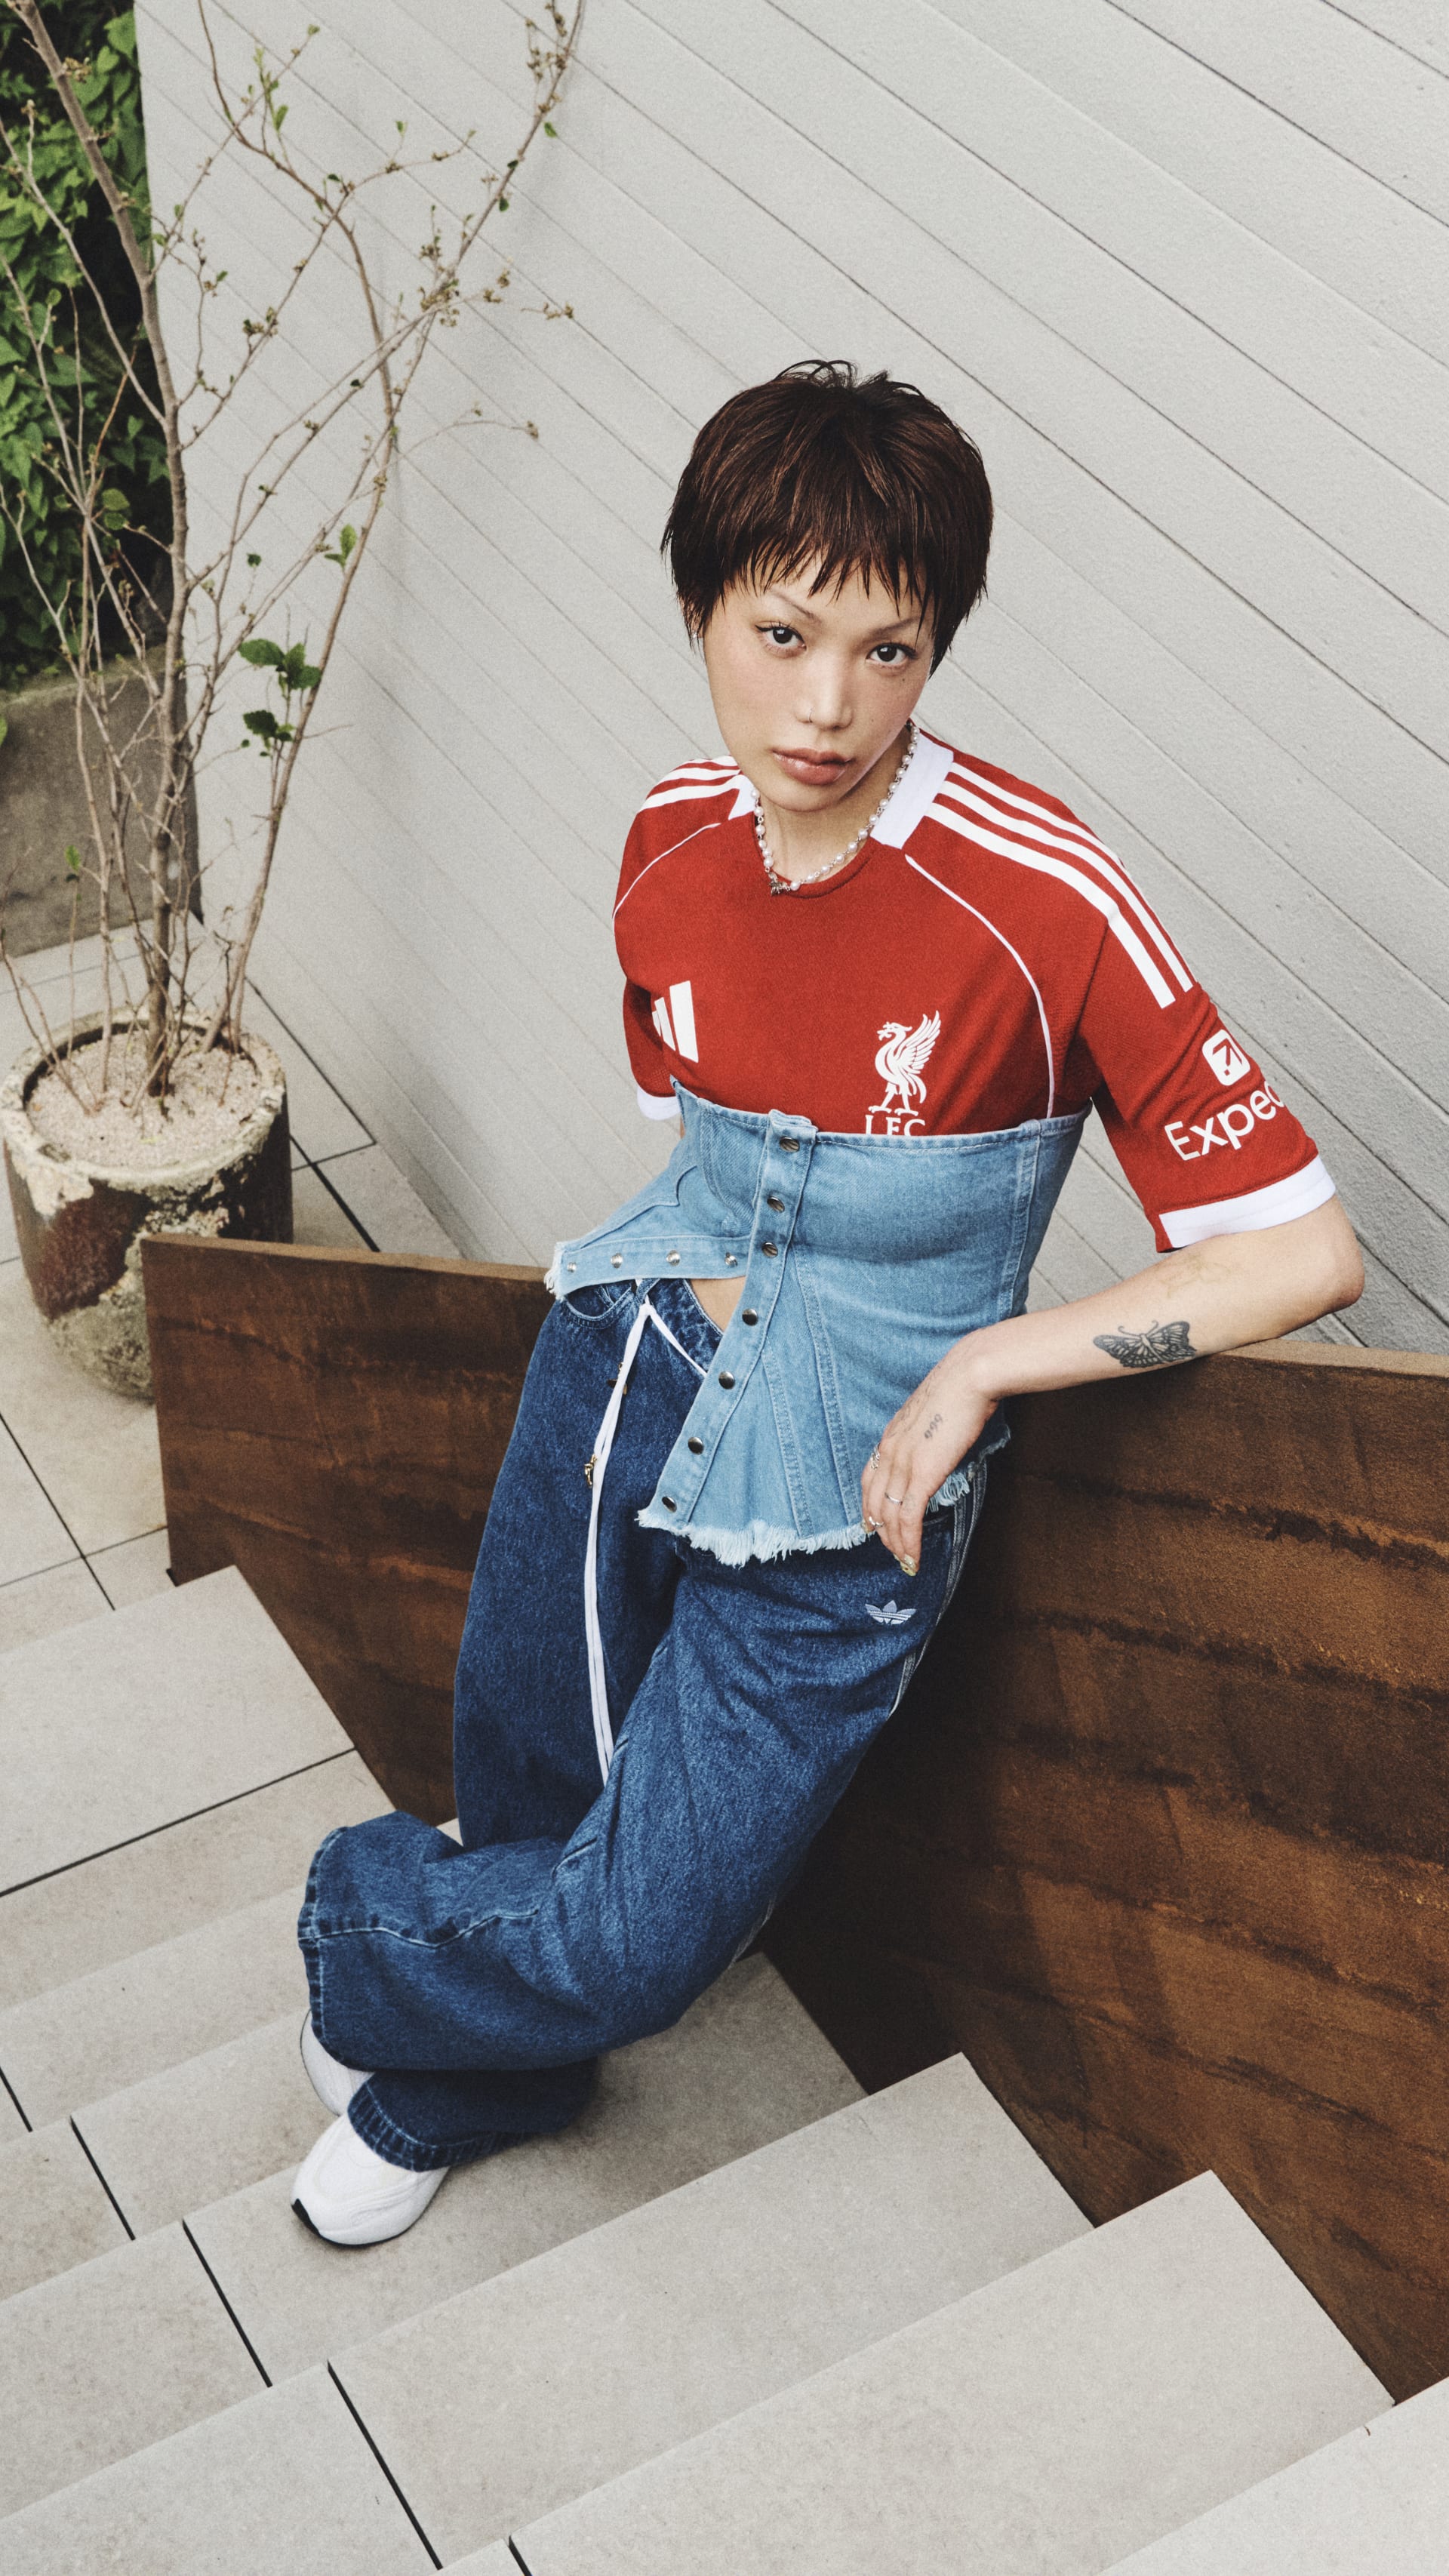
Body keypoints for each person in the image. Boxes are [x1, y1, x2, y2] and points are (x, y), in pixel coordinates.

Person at [291, 361, 1362, 2245]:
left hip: (853, 1490)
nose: (827, 704)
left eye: (889, 649)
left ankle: (357, 1940)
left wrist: (992, 1365)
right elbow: (675, 1127)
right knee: (528, 1781)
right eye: (780, 633)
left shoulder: (1046, 901)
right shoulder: (667, 840)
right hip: (623, 1365)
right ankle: (482, 2067)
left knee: (643, 1929)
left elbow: (1299, 1249)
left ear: (936, 641)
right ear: (701, 606)